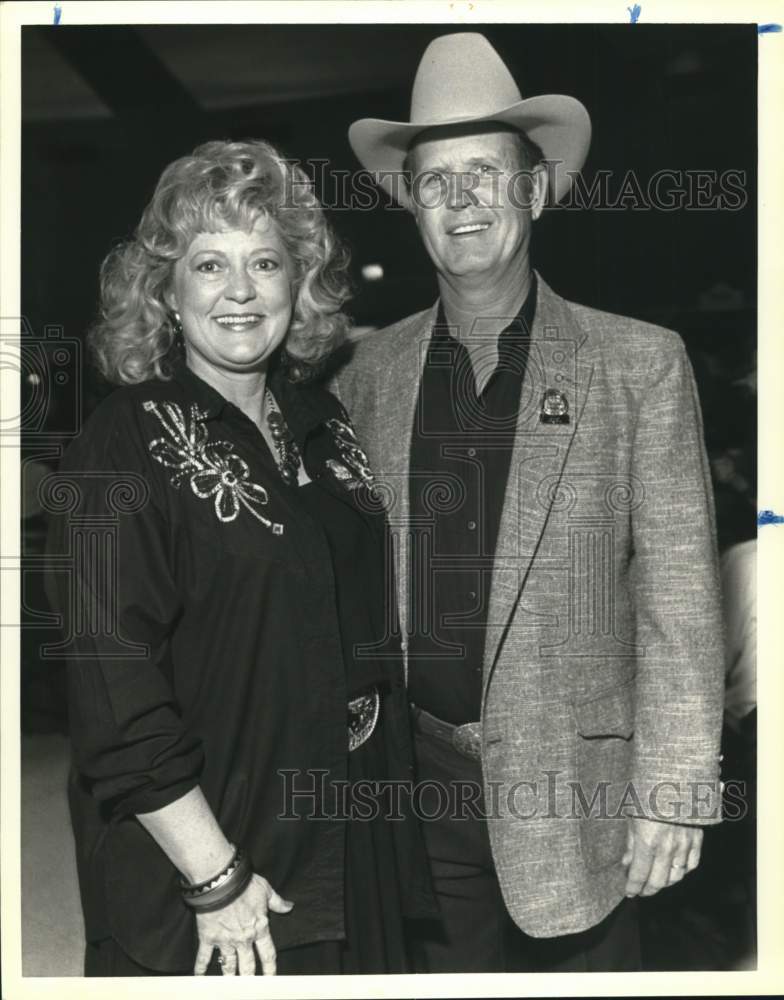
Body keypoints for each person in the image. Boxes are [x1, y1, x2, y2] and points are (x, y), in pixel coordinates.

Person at [332, 32, 725, 972]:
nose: (461, 201)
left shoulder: (638, 364)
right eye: (435, 182)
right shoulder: (363, 373)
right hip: (413, 792)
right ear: (411, 208)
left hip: (575, 791)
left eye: (485, 174)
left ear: (536, 191)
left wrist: (673, 790)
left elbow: (680, 595)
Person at [45, 139, 435, 977]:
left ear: (298, 288)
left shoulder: (325, 428)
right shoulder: (123, 442)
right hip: (217, 861)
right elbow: (115, 688)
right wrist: (214, 876)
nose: (240, 290)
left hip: (350, 841)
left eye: (265, 261)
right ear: (166, 292)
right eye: (208, 264)